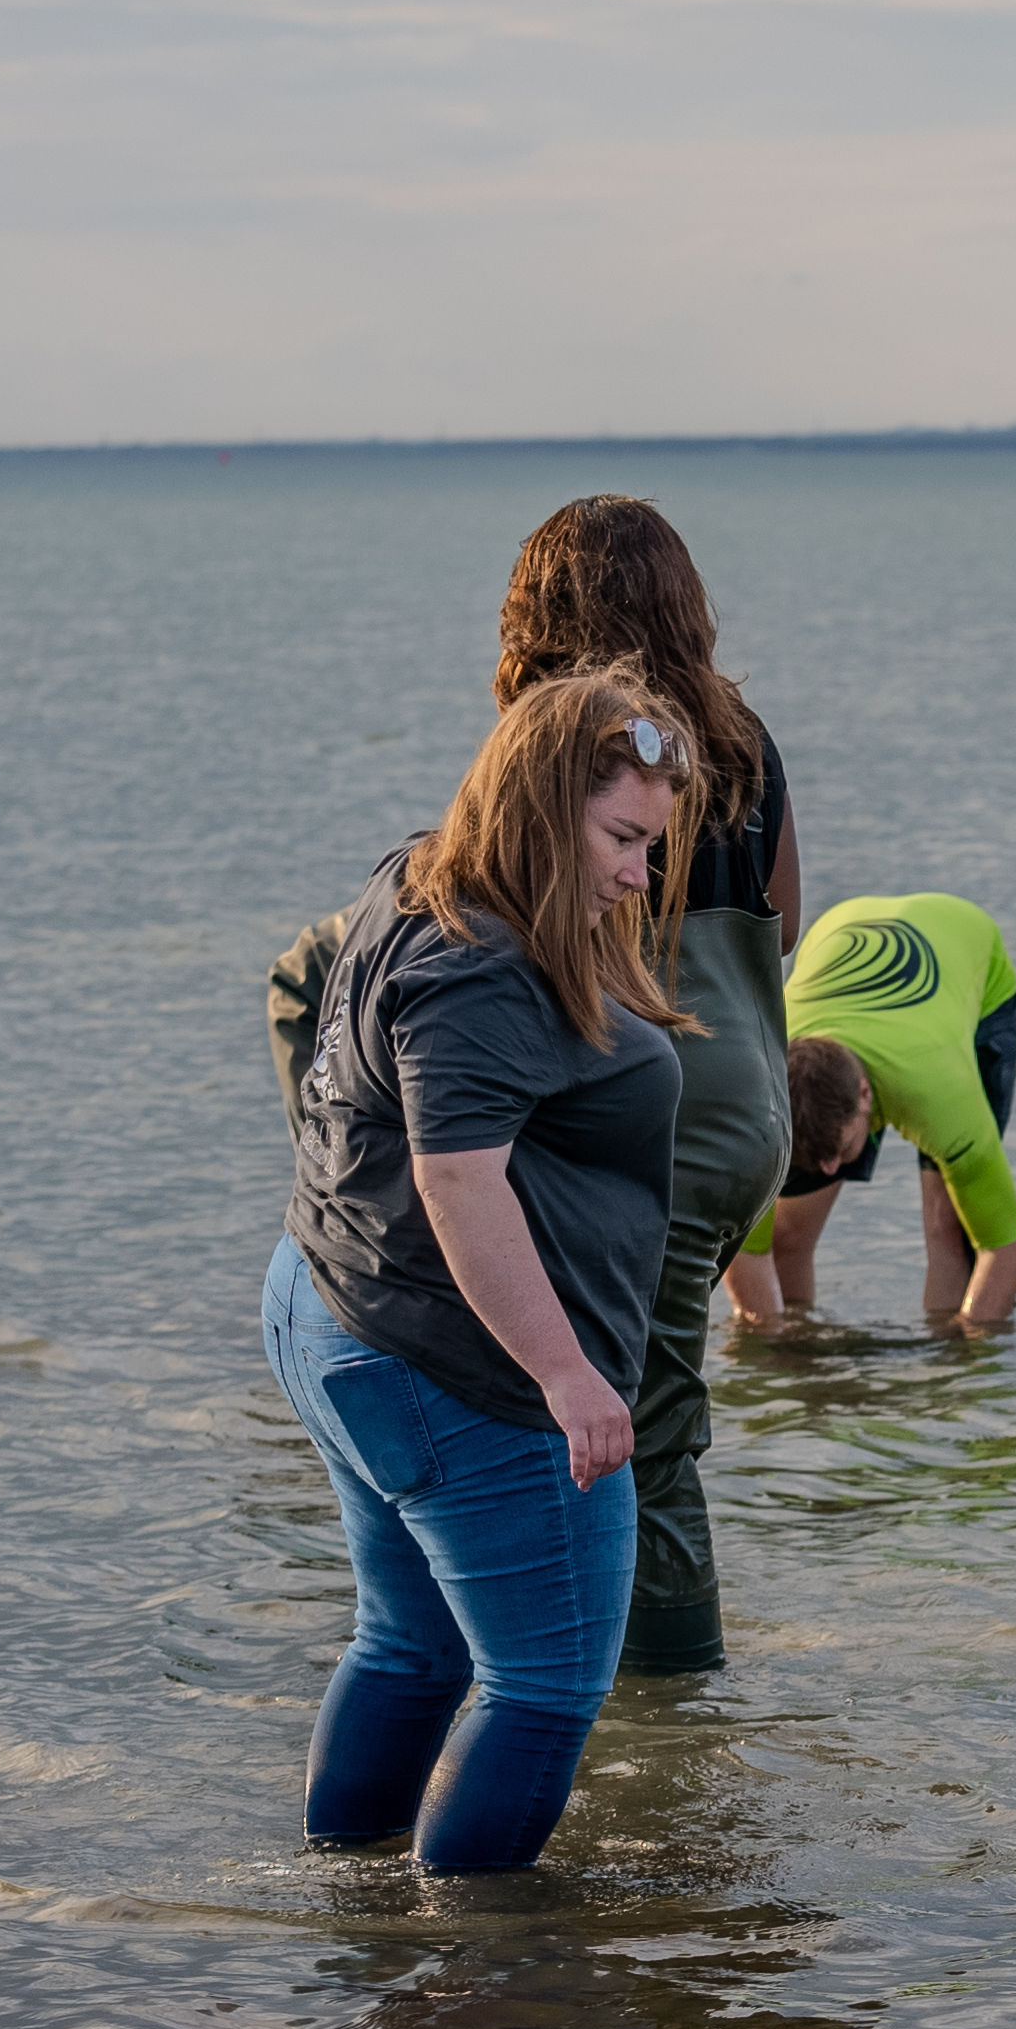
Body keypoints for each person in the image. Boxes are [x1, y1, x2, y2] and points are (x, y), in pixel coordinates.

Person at [268, 498, 799, 1678]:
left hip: (624, 1105)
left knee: (625, 1429)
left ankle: (644, 1723)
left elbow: (491, 923)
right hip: (746, 1095)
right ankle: (639, 1700)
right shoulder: (739, 740)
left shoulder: (554, 751)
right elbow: (785, 931)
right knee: (654, 1405)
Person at [264, 670, 698, 1870]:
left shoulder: (420, 868)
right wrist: (567, 1375)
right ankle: (487, 1983)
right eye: (620, 837)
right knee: (547, 1683)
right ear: (540, 809)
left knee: (409, 1642)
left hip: (335, 1307)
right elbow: (457, 1180)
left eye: (650, 846)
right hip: (458, 1367)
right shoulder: (486, 961)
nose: (638, 876)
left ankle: (352, 1916)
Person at [722, 893, 1016, 1330]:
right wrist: (774, 1351)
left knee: (949, 1226)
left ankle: (944, 1357)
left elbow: (1005, 1250)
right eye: (816, 1158)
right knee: (788, 1233)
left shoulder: (940, 1092)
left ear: (866, 1095)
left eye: (838, 1149)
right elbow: (746, 1250)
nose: (828, 1168)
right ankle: (804, 1360)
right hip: (842, 924)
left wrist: (966, 1356)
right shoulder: (760, 1094)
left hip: (968, 957)